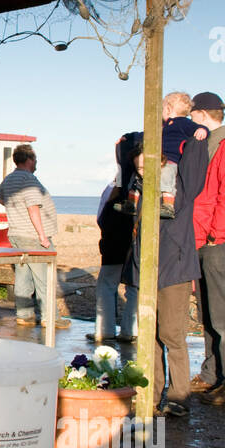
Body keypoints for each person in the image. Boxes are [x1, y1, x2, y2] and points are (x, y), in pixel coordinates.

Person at [123, 134, 208, 416]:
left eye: (146, 167)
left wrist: (197, 139)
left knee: (172, 336)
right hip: (146, 272)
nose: (142, 172)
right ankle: (152, 392)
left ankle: (179, 398)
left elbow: (196, 168)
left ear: (159, 161)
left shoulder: (178, 184)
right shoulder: (140, 188)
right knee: (150, 336)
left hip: (174, 271)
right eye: (138, 169)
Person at [189, 92, 225, 406]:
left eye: (192, 114)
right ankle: (213, 374)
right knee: (207, 310)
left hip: (218, 239)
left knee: (224, 312)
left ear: (200, 114)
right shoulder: (208, 143)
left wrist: (216, 235)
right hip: (202, 237)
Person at [0, 144, 70, 329]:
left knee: (23, 274)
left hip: (16, 233)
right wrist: (42, 236)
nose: (36, 163)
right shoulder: (28, 179)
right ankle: (49, 317)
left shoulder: (10, 179)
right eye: (35, 160)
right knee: (45, 277)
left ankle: (24, 315)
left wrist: (14, 208)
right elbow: (33, 207)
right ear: (28, 160)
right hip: (33, 235)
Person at [118, 93, 201, 219]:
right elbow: (144, 134)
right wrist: (128, 136)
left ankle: (168, 205)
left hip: (171, 160)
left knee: (167, 178)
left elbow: (199, 127)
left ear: (168, 109)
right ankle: (131, 204)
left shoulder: (184, 123)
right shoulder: (162, 126)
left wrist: (202, 131)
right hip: (158, 158)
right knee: (137, 178)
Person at [90, 138, 139, 343]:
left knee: (107, 285)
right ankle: (130, 330)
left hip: (114, 243)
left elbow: (102, 215)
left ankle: (105, 330)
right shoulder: (138, 182)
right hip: (133, 243)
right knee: (134, 287)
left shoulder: (116, 186)